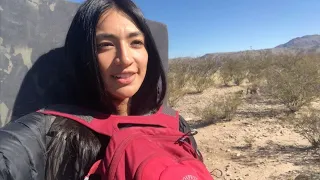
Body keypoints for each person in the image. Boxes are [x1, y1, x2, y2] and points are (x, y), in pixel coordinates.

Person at [0, 0, 202, 180]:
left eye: (136, 43)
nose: (125, 58)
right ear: (83, 55)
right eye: (105, 45)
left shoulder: (174, 122)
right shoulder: (51, 131)